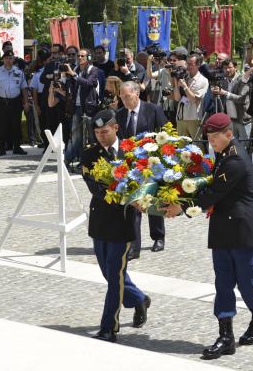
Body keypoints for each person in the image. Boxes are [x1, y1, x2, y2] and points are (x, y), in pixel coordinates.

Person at [161, 113, 253, 360]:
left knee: (246, 281)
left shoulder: (235, 160)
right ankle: (226, 336)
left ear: (229, 135)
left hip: (243, 231)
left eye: (214, 137)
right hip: (222, 229)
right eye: (208, 137)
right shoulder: (223, 154)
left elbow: (212, 193)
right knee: (223, 282)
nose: (211, 142)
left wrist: (180, 208)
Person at [81, 108, 151, 343]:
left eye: (105, 131)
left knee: (115, 274)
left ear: (116, 128)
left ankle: (109, 327)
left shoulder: (132, 152)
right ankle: (139, 298)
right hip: (101, 221)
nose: (100, 136)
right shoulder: (90, 155)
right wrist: (123, 192)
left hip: (123, 224)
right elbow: (95, 187)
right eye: (97, 132)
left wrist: (140, 197)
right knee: (110, 274)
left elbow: (145, 179)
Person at [116, 80, 168, 260]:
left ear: (137, 94)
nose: (124, 100)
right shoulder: (120, 114)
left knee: (152, 201)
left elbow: (165, 135)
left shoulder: (153, 109)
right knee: (134, 205)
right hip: (132, 166)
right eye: (121, 97)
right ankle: (134, 246)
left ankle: (158, 237)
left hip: (151, 164)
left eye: (127, 96)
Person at [63, 48, 100, 167]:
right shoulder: (75, 69)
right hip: (76, 107)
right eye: (78, 56)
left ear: (88, 58)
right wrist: (65, 77)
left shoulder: (93, 70)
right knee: (75, 135)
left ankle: (88, 162)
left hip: (88, 107)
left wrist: (73, 74)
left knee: (90, 136)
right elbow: (70, 87)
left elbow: (89, 83)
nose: (79, 58)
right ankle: (67, 160)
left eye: (82, 56)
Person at [0, 50, 30, 156]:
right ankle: (2, 148)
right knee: (1, 126)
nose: (8, 60)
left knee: (16, 125)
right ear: (3, 59)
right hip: (1, 102)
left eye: (11, 58)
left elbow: (24, 88)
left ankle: (17, 147)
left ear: (13, 59)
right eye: (6, 58)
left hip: (15, 102)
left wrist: (26, 103)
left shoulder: (19, 72)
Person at [173, 53, 208, 141]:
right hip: (181, 116)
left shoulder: (202, 80)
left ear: (198, 65)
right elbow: (177, 98)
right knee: (181, 145)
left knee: (197, 144)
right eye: (187, 63)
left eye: (190, 64)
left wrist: (184, 86)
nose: (187, 67)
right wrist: (176, 82)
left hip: (194, 118)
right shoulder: (185, 76)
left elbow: (194, 99)